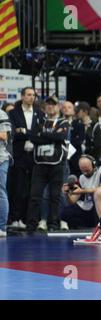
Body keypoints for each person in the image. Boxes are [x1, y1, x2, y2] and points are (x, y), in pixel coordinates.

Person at [26, 96, 69, 233]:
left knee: (55, 195)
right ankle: (31, 224)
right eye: (48, 104)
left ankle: (53, 223)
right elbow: (33, 137)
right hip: (40, 163)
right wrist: (50, 137)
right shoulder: (39, 121)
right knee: (35, 195)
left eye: (53, 104)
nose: (51, 106)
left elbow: (60, 137)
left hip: (57, 164)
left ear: (58, 107)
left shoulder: (63, 122)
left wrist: (42, 135)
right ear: (45, 107)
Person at [8, 87, 45, 229]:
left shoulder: (40, 113)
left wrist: (24, 131)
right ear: (22, 96)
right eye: (29, 95)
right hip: (19, 155)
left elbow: (41, 134)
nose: (31, 97)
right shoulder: (13, 113)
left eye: (33, 95)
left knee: (33, 189)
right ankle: (16, 218)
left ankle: (30, 219)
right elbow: (13, 134)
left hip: (35, 156)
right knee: (18, 188)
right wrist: (31, 134)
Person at [61, 155, 101, 229]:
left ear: (94, 165)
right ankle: (81, 227)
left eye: (87, 170)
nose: (85, 173)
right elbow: (73, 200)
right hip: (88, 206)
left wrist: (82, 191)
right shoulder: (82, 177)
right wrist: (67, 193)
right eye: (83, 171)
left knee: (97, 203)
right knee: (65, 213)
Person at [0, 108, 11, 237]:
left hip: (0, 159)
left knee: (1, 192)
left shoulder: (1, 114)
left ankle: (1, 228)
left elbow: (3, 135)